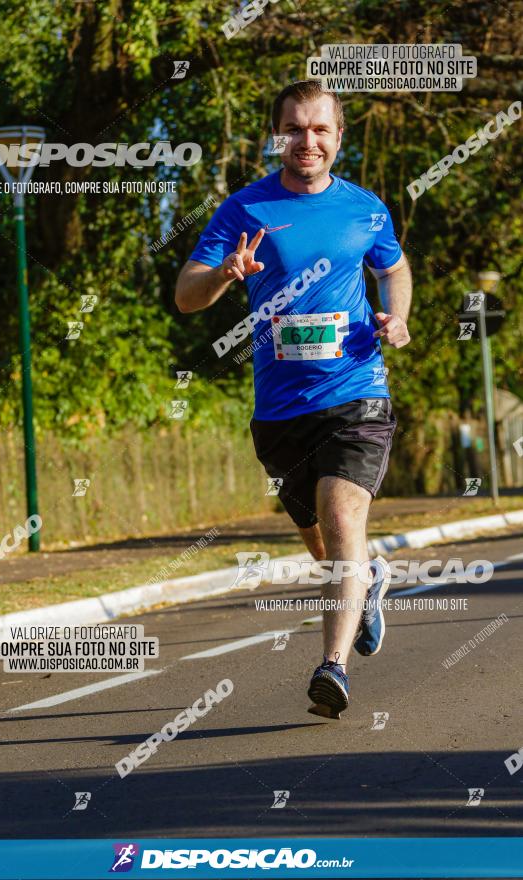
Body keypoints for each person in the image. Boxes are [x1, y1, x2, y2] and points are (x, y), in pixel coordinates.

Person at [175, 80, 412, 718]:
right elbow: (186, 294)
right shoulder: (243, 209)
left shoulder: (366, 209)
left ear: (339, 137)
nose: (307, 141)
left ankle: (332, 668)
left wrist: (398, 317)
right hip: (279, 411)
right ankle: (370, 579)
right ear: (277, 134)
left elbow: (392, 267)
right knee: (319, 540)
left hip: (356, 392)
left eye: (321, 130)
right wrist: (226, 274)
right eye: (295, 129)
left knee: (342, 522)